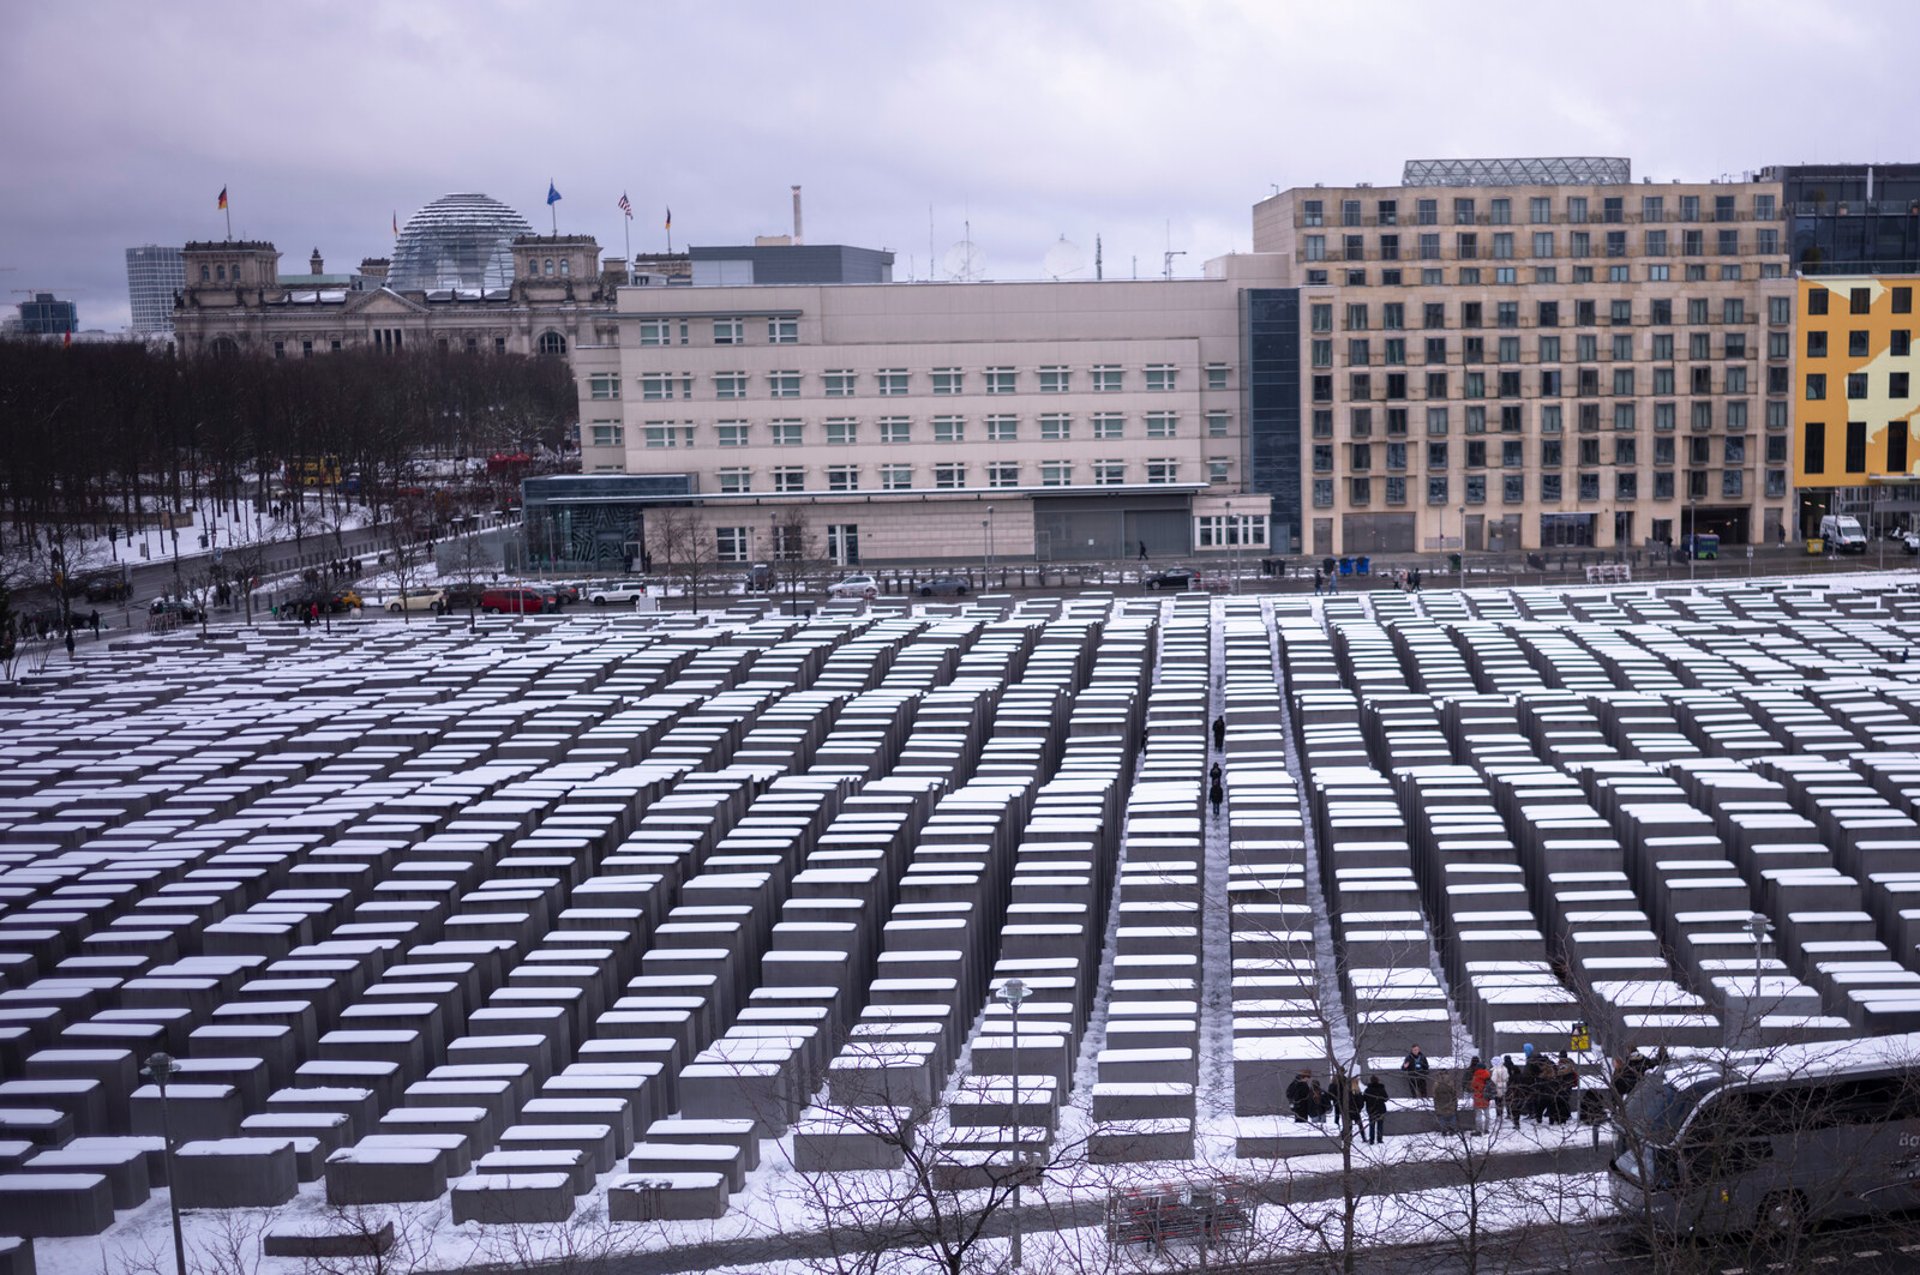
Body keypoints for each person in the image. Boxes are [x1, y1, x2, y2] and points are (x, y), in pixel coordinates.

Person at [1362, 1075, 1389, 1144]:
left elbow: (1364, 1099)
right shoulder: (1381, 1089)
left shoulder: (1368, 1090)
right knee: (1380, 1125)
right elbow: (1386, 1098)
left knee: (1372, 1125)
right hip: (1381, 1109)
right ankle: (1379, 1139)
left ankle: (1372, 1140)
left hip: (1371, 1110)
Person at [1433, 1069, 1460, 1134]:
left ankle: (1444, 1130)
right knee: (1452, 1115)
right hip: (1449, 1099)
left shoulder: (1437, 1082)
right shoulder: (1450, 1081)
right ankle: (1452, 1129)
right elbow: (1454, 1091)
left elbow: (1434, 1093)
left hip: (1440, 1100)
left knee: (1442, 1116)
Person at [1469, 1057, 1492, 1134]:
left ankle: (1479, 1130)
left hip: (1478, 1097)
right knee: (1487, 1115)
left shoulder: (1475, 1076)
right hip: (1486, 1096)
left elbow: (1472, 1086)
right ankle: (1486, 1129)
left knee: (1478, 1116)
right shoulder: (1488, 1075)